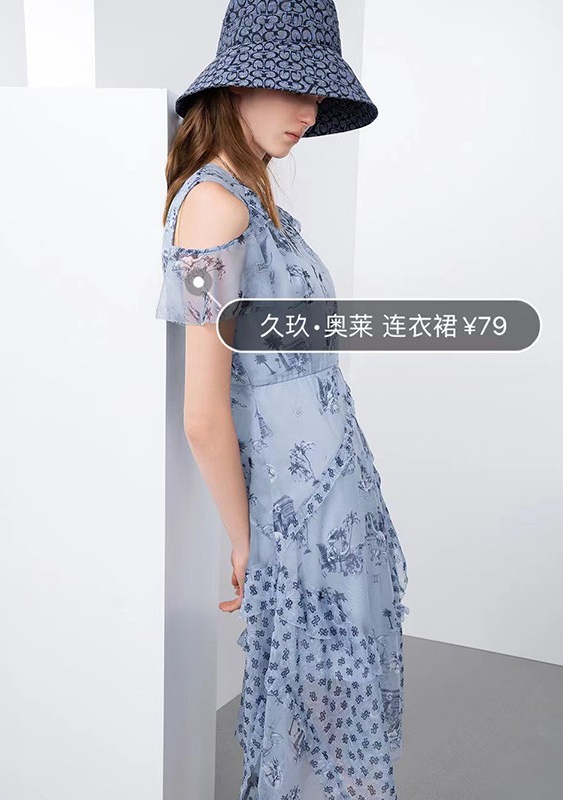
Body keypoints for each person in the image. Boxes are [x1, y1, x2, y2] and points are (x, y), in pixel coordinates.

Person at [155, 2, 410, 798]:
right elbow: (203, 413)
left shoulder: (252, 198)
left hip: (334, 500)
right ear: (240, 82)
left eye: (318, 93)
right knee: (319, 726)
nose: (310, 109)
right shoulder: (214, 207)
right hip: (296, 520)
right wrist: (247, 545)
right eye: (296, 87)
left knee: (337, 722)